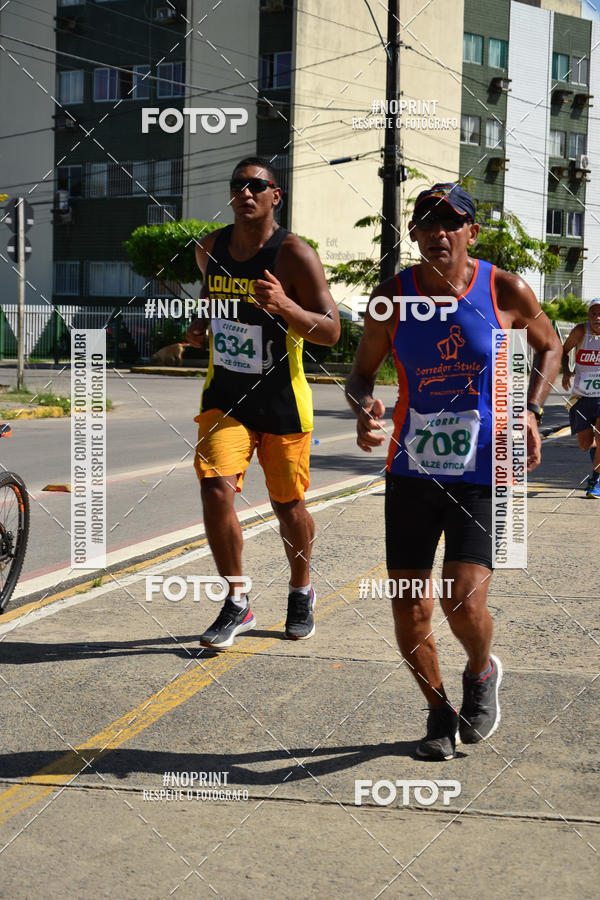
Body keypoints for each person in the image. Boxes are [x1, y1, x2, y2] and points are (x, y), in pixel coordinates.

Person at [345, 183, 561, 760]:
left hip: (484, 466)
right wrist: (364, 408)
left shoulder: (503, 288)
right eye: (427, 223)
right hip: (412, 469)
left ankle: (482, 669)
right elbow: (361, 373)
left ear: (472, 232)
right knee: (408, 602)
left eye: (451, 222)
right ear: (413, 235)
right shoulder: (390, 299)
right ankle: (438, 712)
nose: (438, 232)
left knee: (461, 599)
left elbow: (550, 346)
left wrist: (533, 410)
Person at [186, 156, 340, 649]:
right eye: (238, 185)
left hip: (282, 402)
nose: (246, 192)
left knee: (287, 505)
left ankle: (301, 589)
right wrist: (201, 327)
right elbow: (216, 308)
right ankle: (237, 601)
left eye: (257, 185)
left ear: (276, 195)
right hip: (225, 397)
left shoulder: (295, 254)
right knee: (215, 488)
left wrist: (287, 307)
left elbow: (332, 331)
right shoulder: (209, 249)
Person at [561, 299, 600, 499]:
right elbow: (563, 351)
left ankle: (596, 479)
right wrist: (566, 372)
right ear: (588, 316)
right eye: (593, 313)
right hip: (582, 397)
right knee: (586, 444)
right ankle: (597, 462)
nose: (597, 318)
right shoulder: (580, 332)